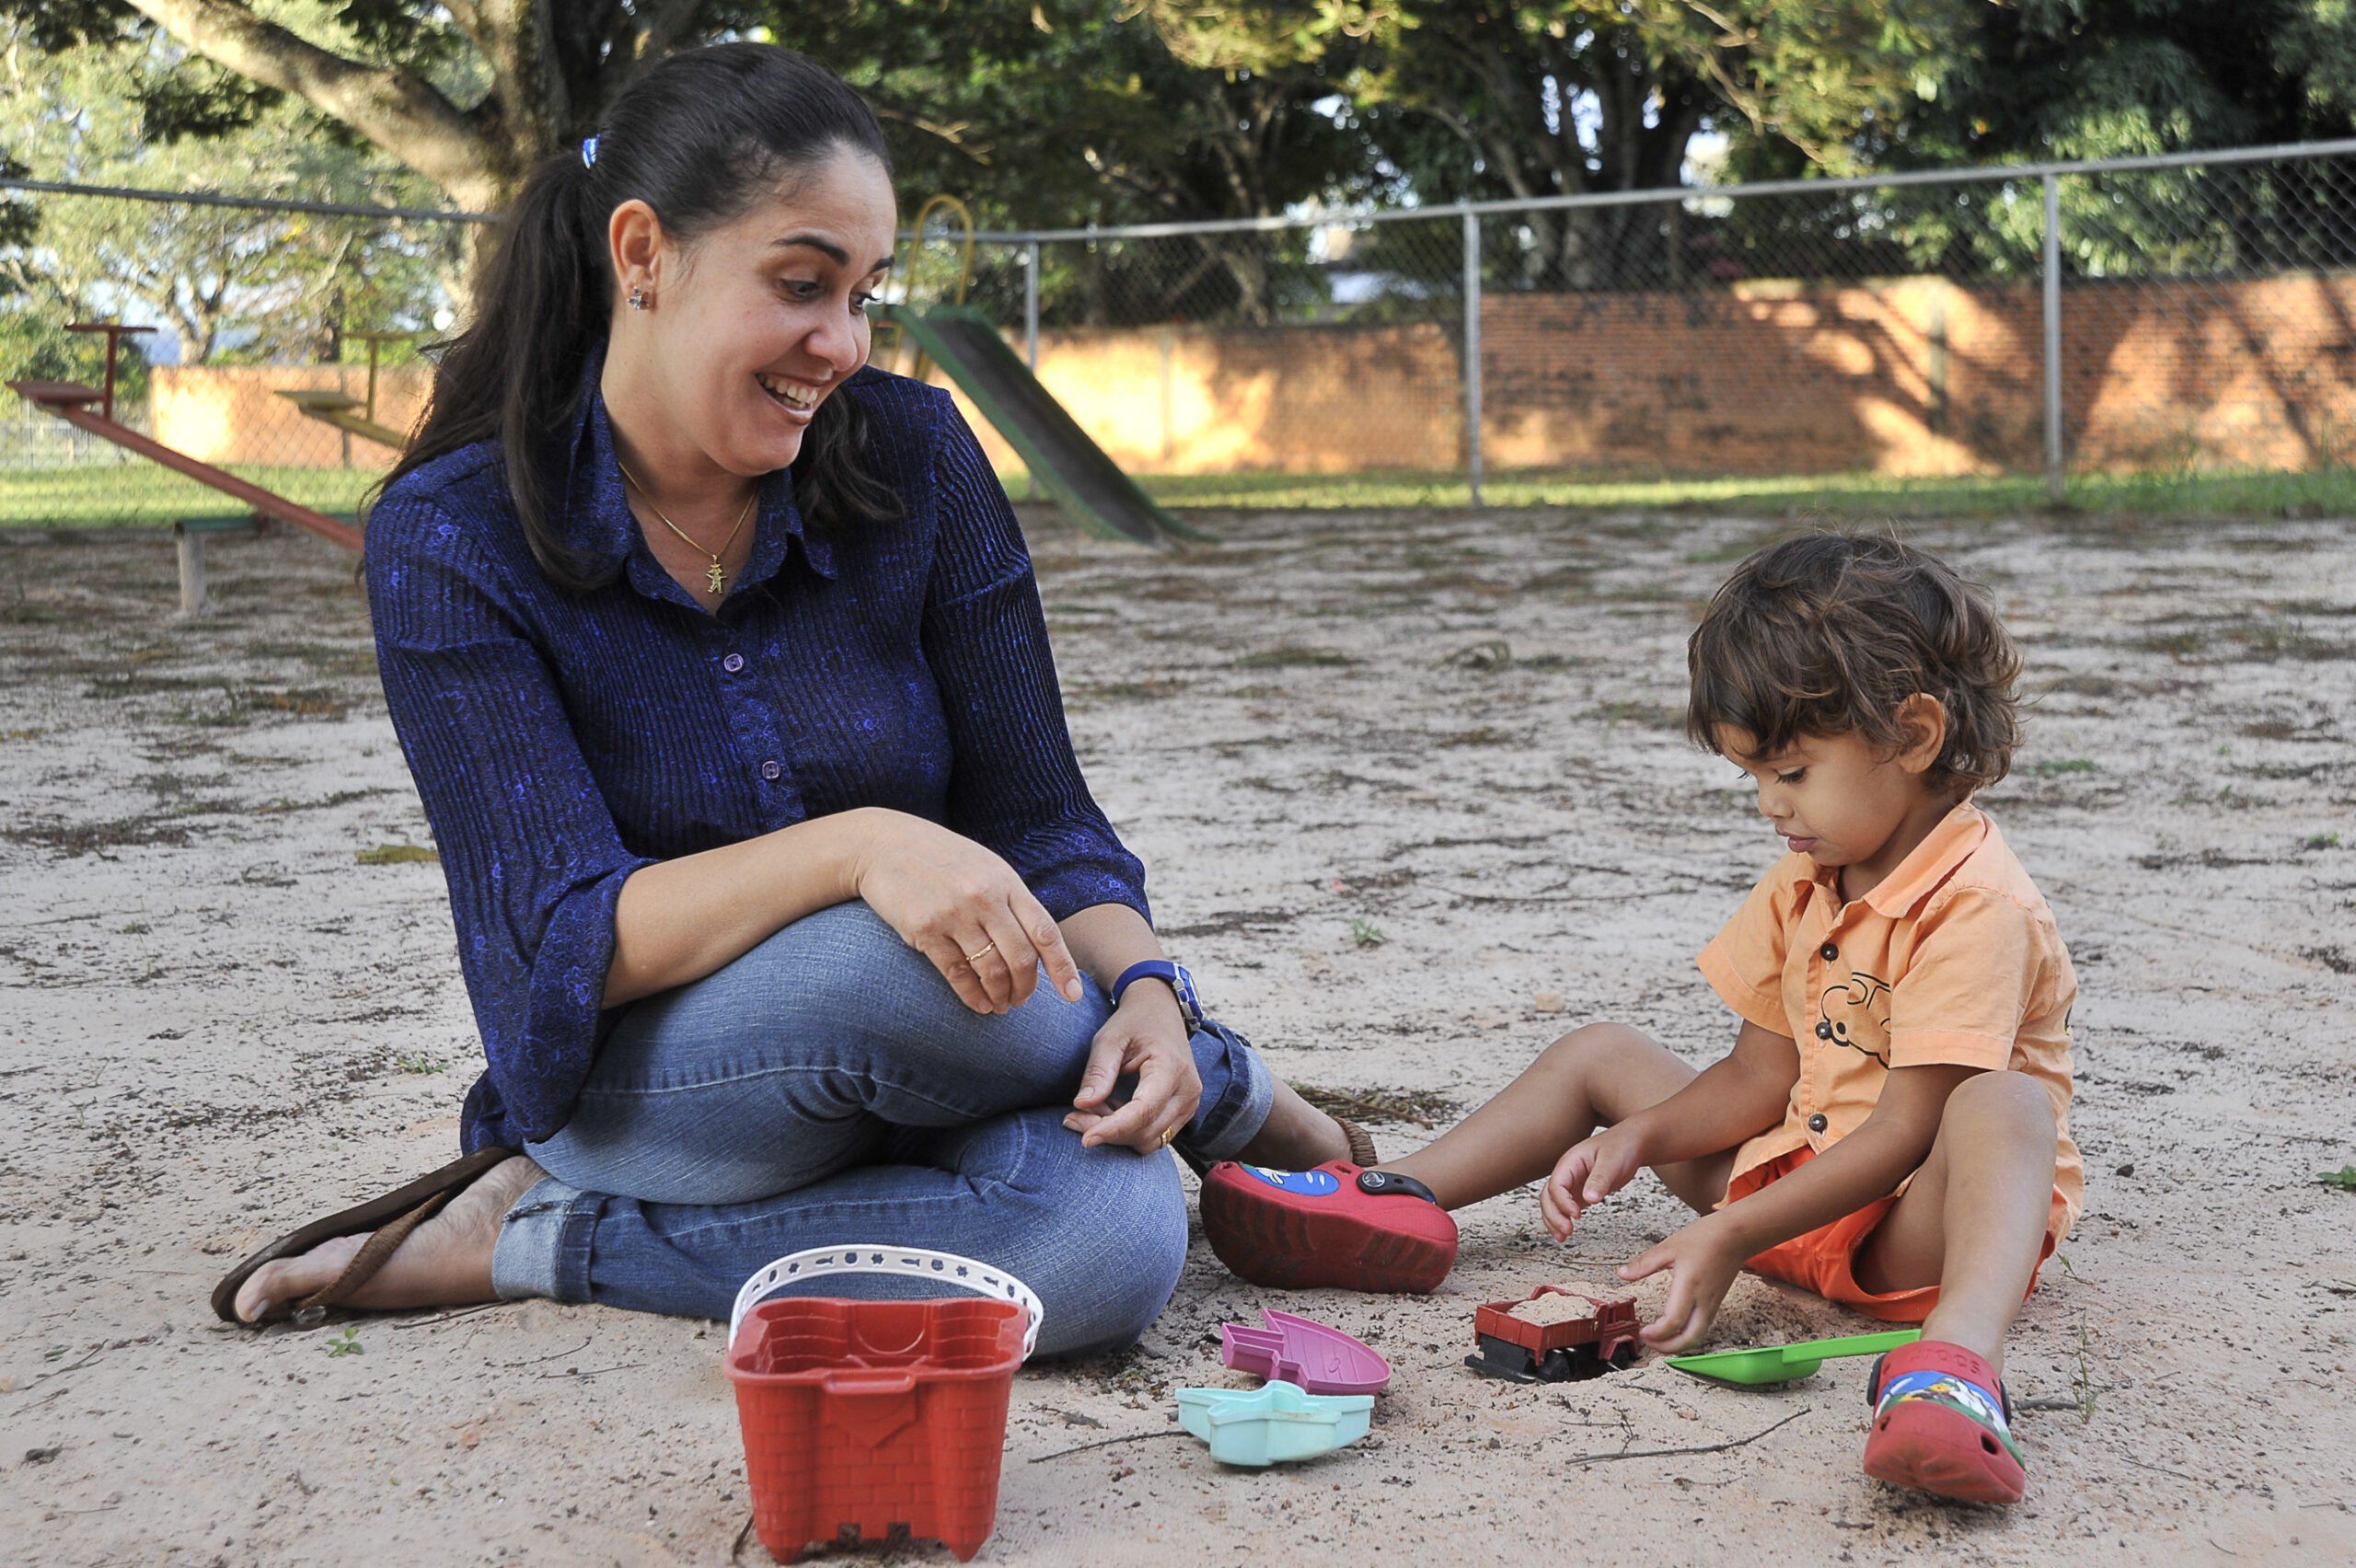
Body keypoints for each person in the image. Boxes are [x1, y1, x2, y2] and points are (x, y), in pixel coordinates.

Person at [212, 43, 1366, 1356]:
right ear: (642, 254)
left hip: (962, 1047)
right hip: (664, 1083)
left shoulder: (918, 456)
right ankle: (1235, 1094)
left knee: (1109, 1244)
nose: (844, 343)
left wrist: (1152, 993)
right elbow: (557, 938)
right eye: (803, 285)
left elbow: (1044, 822)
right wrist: (862, 849)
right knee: (907, 961)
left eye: (867, 294)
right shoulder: (455, 537)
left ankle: (541, 1233)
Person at [1198, 534, 2080, 1504]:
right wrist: (1642, 1135)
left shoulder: (1976, 905)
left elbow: (1907, 1129)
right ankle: (1397, 1196)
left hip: (1908, 1231)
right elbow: (1757, 1077)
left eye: (1788, 772)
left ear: (1912, 737)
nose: (1765, 805)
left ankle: (1950, 1371)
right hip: (1781, 1186)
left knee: (2003, 1108)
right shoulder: (1806, 881)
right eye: (1752, 776)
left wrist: (1733, 1231)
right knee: (1603, 1055)